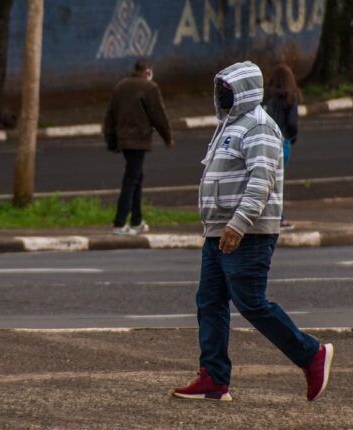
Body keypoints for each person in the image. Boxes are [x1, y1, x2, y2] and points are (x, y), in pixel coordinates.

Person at [171, 61, 333, 402]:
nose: (221, 96)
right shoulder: (228, 125)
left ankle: (311, 355)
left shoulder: (260, 126)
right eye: (219, 91)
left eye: (227, 91)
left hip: (247, 232)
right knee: (209, 301)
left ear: (244, 91)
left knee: (251, 302)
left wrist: (239, 224)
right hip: (219, 230)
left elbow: (262, 181)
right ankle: (214, 378)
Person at [103, 59, 173, 236]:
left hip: (124, 140)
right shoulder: (150, 88)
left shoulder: (121, 86)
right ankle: (119, 223)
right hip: (139, 140)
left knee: (137, 177)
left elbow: (109, 115)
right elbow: (159, 116)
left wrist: (111, 140)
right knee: (132, 178)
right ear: (147, 71)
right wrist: (167, 138)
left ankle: (136, 221)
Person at [263, 64, 302, 230]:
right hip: (282, 143)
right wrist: (292, 138)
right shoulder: (290, 98)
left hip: (263, 142)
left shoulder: (264, 96)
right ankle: (278, 217)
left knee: (262, 180)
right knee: (276, 183)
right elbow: (292, 123)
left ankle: (261, 215)